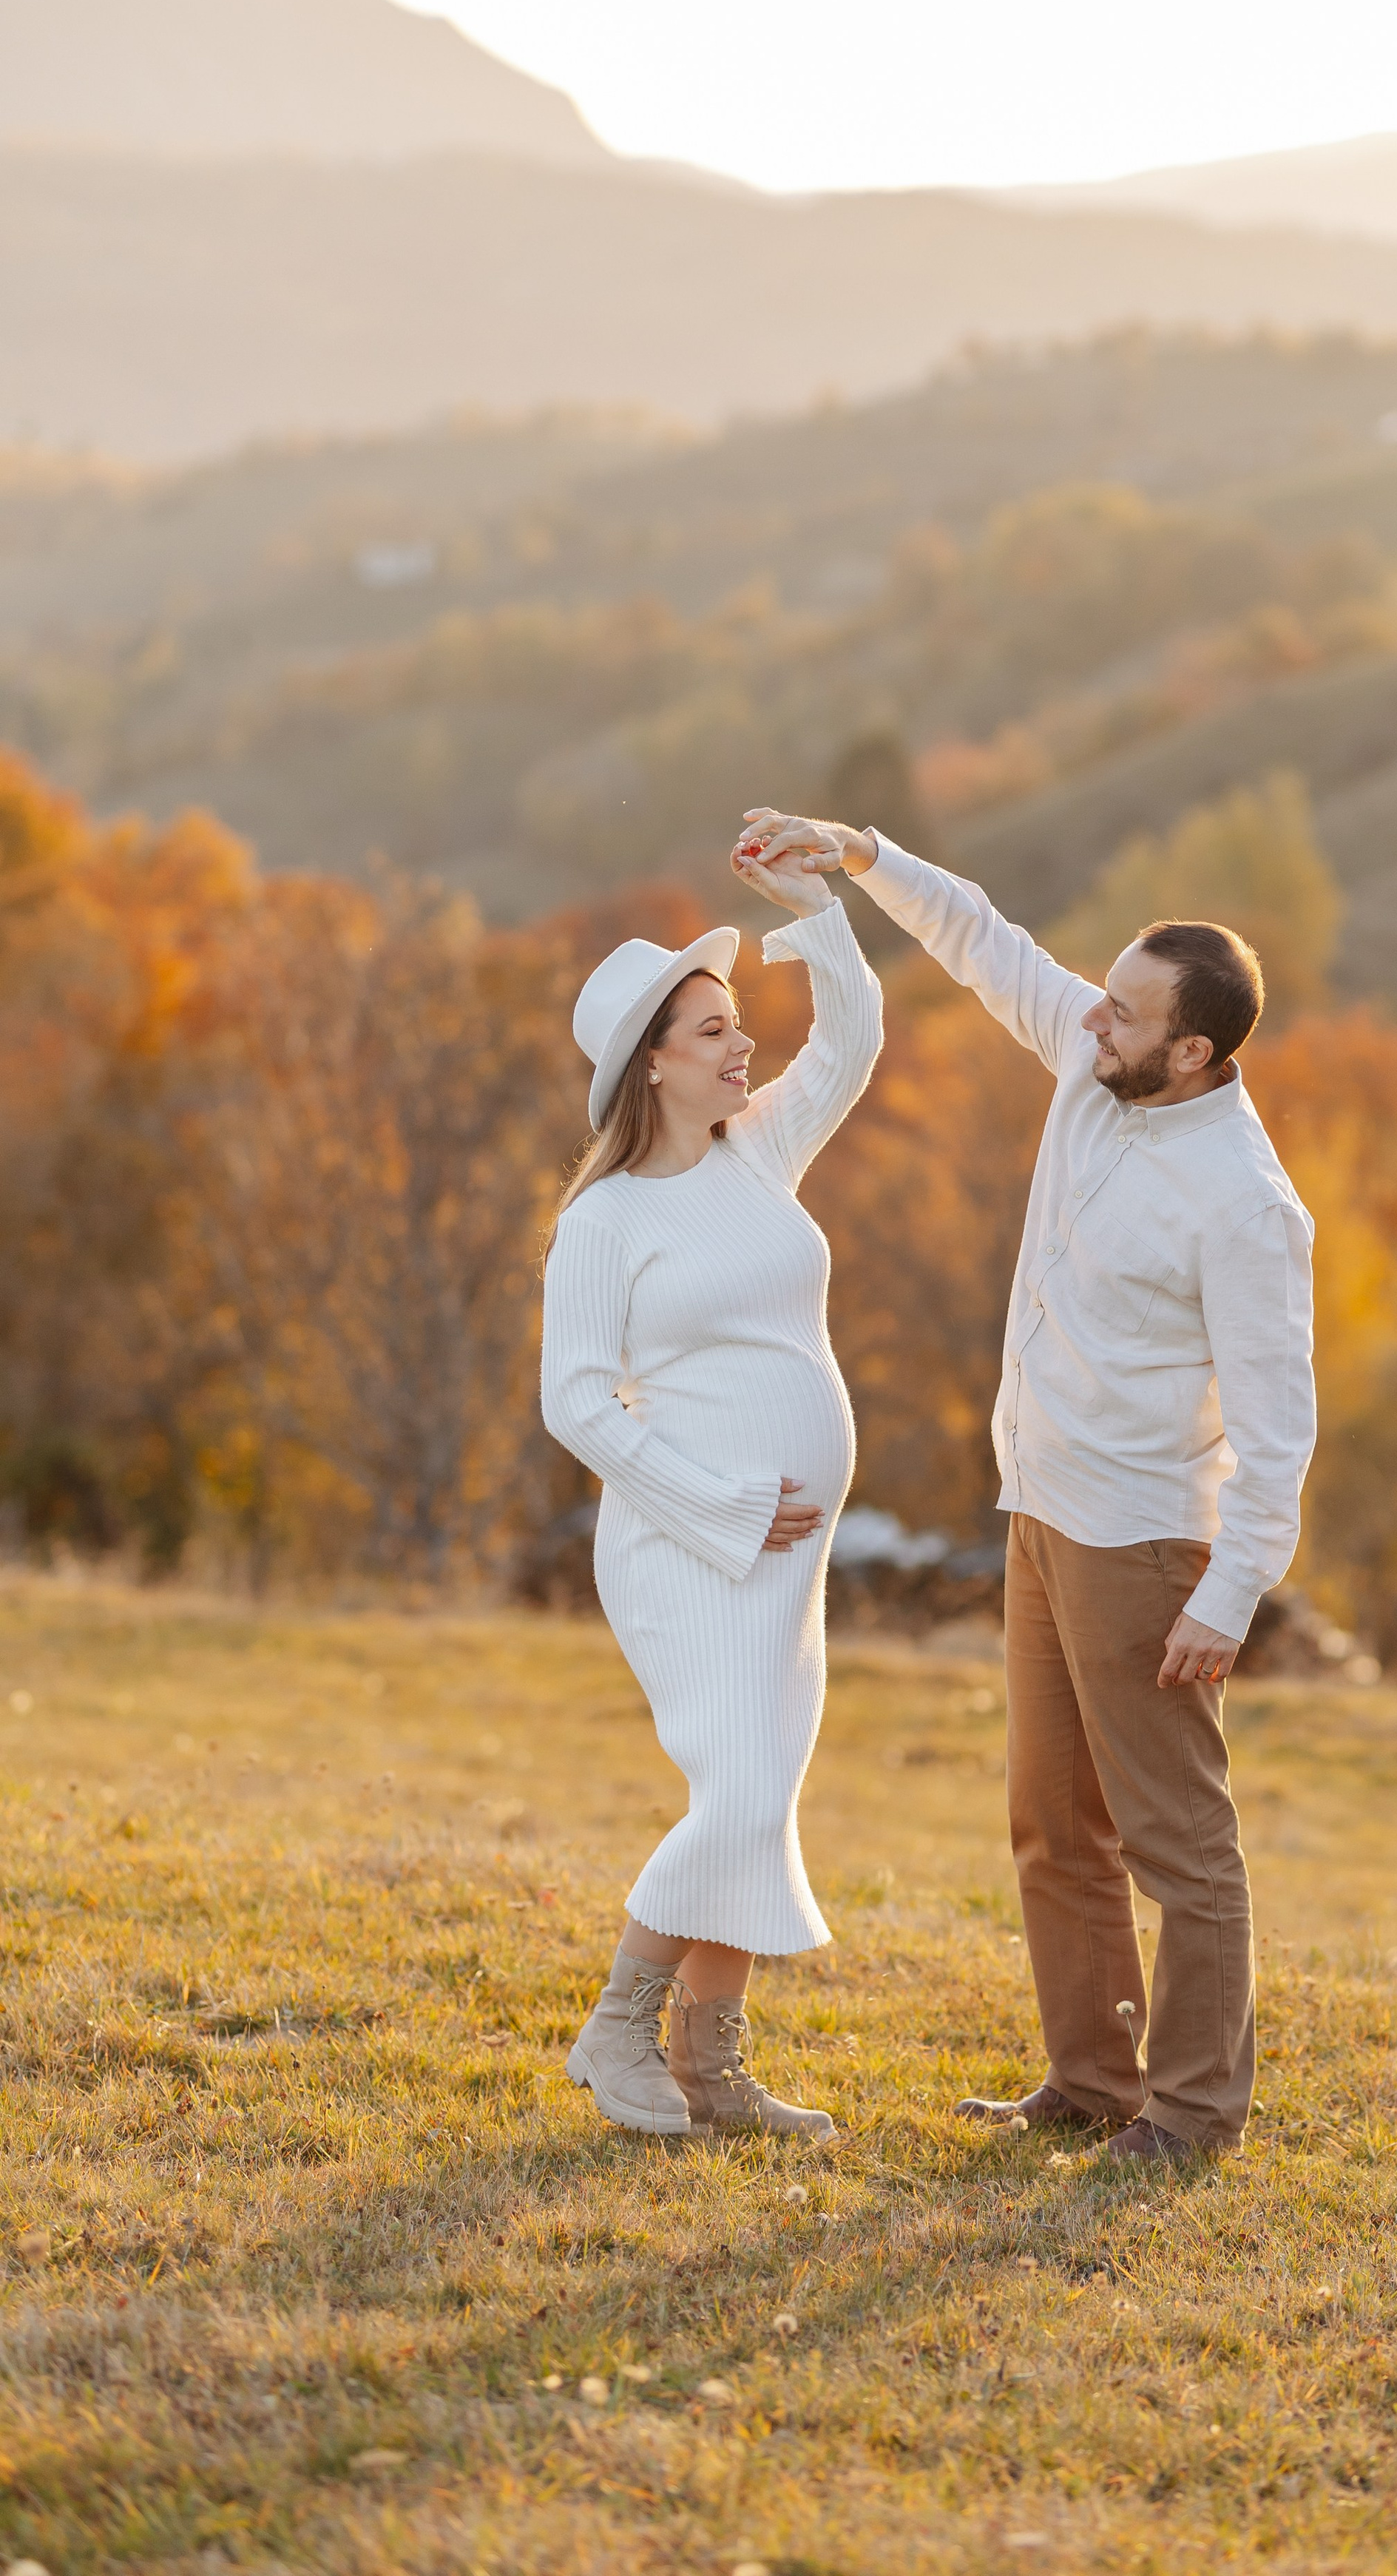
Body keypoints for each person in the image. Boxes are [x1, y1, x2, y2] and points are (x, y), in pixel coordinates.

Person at [740, 808, 1315, 2160]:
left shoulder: (1246, 1204)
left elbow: (1281, 1430)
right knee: (1054, 1827)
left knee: (1179, 1846)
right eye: (1102, 997)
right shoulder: (1099, 1062)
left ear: (1193, 1051)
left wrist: (1230, 1594)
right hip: (1040, 1514)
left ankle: (1193, 2118)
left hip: (1145, 1545)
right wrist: (860, 855)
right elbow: (986, 942)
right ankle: (1093, 2082)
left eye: (1125, 1013)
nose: (1092, 1019)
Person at [540, 835, 882, 2139]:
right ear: (652, 1061)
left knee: (761, 1791)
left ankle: (712, 2070)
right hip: (686, 1548)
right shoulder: (605, 1221)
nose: (744, 1047)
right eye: (714, 1031)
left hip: (788, 1555)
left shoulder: (757, 1153)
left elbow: (851, 1044)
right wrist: (727, 1509)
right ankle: (618, 2030)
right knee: (736, 1790)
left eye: (740, 1025)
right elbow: (576, 1402)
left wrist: (819, 912)